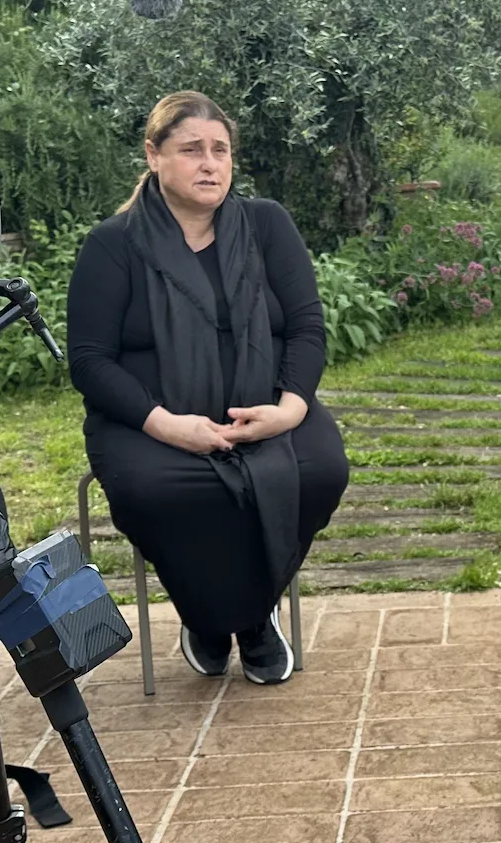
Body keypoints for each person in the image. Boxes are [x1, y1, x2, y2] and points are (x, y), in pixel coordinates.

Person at [68, 91, 348, 683]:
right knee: (160, 490)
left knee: (319, 469)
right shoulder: (113, 245)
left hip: (266, 406)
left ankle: (247, 617)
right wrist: (169, 425)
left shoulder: (267, 225)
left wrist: (290, 410)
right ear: (153, 156)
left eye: (220, 150)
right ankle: (211, 617)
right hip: (151, 421)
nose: (209, 164)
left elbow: (305, 326)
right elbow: (90, 363)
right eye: (191, 149)